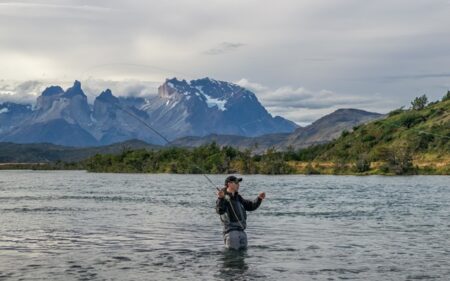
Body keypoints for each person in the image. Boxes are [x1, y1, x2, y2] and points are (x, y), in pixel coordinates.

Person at [216, 175, 266, 250]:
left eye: (238, 183)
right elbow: (220, 210)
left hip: (242, 232)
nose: (238, 185)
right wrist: (220, 198)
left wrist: (259, 199)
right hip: (231, 233)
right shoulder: (223, 198)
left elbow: (250, 206)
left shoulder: (238, 198)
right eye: (236, 183)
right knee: (232, 258)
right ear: (229, 184)